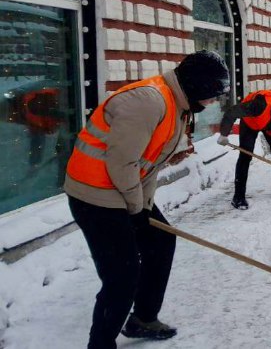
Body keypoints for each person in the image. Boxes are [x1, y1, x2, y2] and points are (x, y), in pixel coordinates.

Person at [64, 50, 230, 349]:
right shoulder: (148, 101)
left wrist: (143, 203)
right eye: (214, 94)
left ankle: (142, 318)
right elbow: (122, 162)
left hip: (121, 188)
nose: (215, 102)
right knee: (121, 277)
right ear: (198, 86)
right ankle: (100, 344)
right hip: (95, 196)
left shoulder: (177, 103)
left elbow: (148, 160)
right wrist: (134, 207)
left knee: (161, 242)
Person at [217, 90, 271, 209]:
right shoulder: (258, 105)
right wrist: (224, 134)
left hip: (270, 124)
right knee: (245, 156)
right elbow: (231, 112)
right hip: (250, 123)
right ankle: (238, 197)